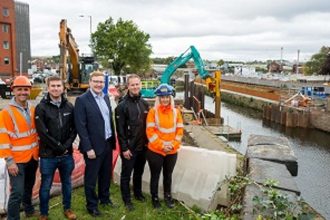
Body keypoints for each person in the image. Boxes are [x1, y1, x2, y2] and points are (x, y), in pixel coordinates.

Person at [74, 71, 117, 217]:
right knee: (91, 178)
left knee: (105, 175)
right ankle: (92, 205)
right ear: (90, 82)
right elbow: (81, 126)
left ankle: (104, 199)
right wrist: (88, 148)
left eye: (101, 82)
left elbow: (108, 120)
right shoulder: (82, 100)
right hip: (92, 146)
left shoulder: (105, 97)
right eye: (96, 81)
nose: (99, 84)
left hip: (107, 143)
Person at [35, 76, 77, 220]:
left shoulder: (69, 106)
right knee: (46, 186)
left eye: (58, 85)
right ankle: (44, 213)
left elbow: (74, 130)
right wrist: (59, 147)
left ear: (63, 88)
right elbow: (42, 133)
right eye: (52, 86)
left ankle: (68, 208)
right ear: (48, 88)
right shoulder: (41, 107)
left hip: (66, 155)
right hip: (48, 156)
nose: (55, 88)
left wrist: (65, 147)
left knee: (67, 183)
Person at [0, 76, 39, 219]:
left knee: (29, 187)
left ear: (30, 91)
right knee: (17, 192)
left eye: (26, 89)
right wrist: (10, 161)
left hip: (33, 157)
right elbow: (3, 139)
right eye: (19, 89)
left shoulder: (33, 109)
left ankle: (28, 210)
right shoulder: (6, 112)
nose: (23, 92)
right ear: (14, 91)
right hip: (17, 160)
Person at [146, 83, 184, 209]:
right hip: (155, 151)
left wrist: (173, 145)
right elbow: (150, 132)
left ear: (171, 98)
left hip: (172, 151)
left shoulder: (176, 112)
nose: (165, 99)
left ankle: (168, 197)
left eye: (167, 97)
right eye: (162, 97)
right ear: (158, 98)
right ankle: (155, 198)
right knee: (155, 176)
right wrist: (162, 146)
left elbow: (179, 131)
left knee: (168, 176)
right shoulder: (153, 112)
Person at [115, 74, 149, 211]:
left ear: (140, 85)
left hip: (143, 146)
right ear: (128, 86)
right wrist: (124, 148)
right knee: (126, 175)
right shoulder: (122, 106)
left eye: (137, 84)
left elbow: (149, 126)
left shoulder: (145, 103)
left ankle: (138, 193)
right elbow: (120, 130)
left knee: (139, 172)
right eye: (132, 85)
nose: (135, 87)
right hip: (129, 147)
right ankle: (127, 199)